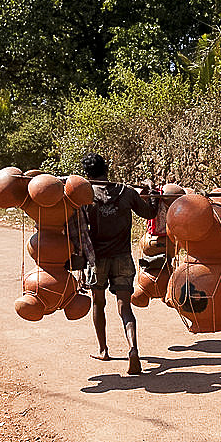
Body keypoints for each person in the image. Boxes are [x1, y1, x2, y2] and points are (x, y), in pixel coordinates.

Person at [77, 152, 158, 375]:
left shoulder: (84, 195)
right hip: (122, 257)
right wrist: (150, 191)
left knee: (98, 303)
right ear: (107, 169)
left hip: (97, 260)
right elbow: (150, 212)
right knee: (125, 307)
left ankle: (103, 349)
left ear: (87, 174)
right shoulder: (127, 192)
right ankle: (133, 349)